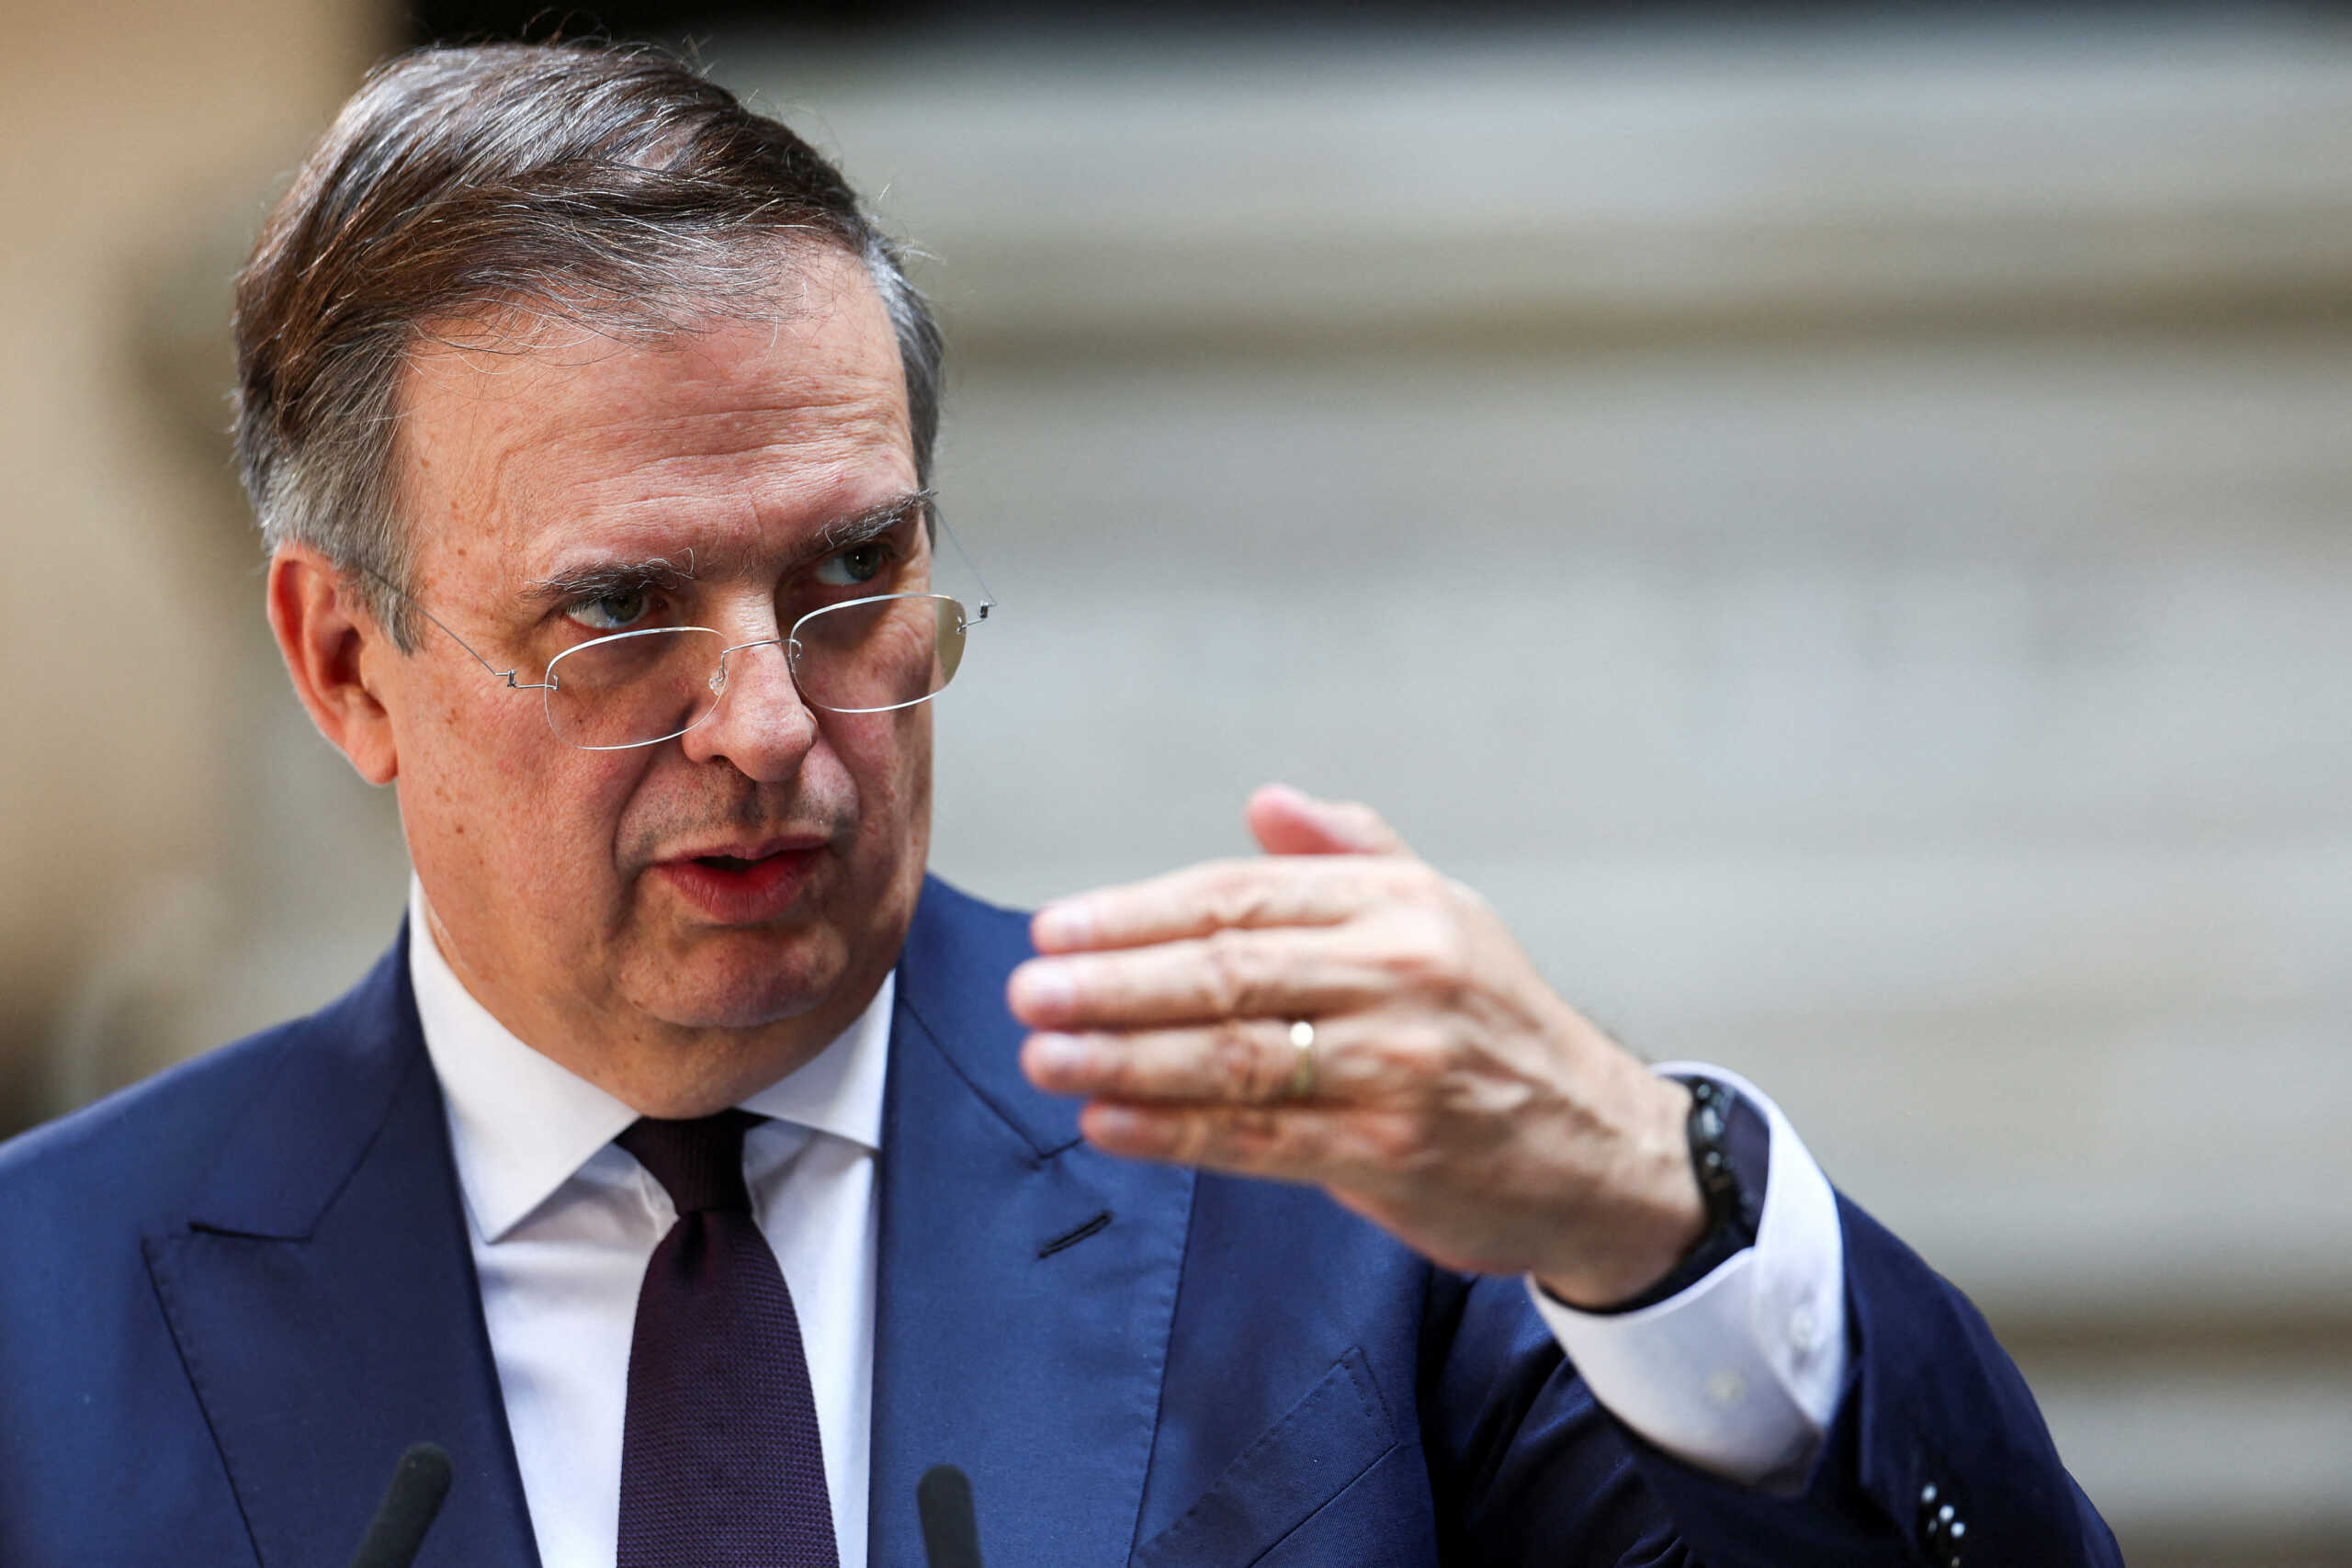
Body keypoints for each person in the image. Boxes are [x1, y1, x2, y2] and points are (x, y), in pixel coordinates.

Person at [0, 40, 2118, 1568]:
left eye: (849, 578)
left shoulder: (1335, 1212)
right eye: (622, 614)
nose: (766, 721)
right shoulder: (52, 1311)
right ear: (346, 662)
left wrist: (1642, 1200)